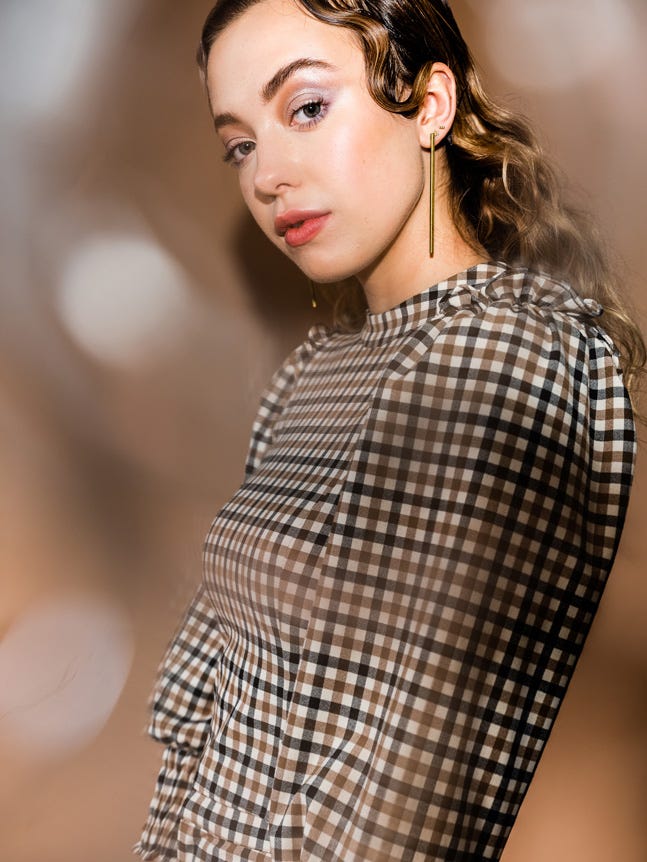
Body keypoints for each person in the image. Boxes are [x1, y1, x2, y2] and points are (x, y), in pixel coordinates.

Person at [135, 1, 644, 859]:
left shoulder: (507, 351)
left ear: (430, 106)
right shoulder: (314, 372)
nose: (264, 177)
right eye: (240, 144)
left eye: (305, 108)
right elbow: (199, 706)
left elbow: (404, 802)